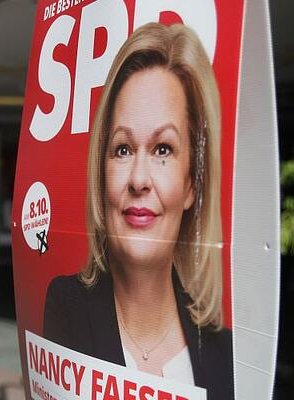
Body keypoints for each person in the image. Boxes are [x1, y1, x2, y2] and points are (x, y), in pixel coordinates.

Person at [43, 23, 234, 399]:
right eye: (123, 149)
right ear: (102, 173)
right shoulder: (67, 307)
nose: (139, 180)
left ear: (192, 184)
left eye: (163, 149)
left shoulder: (224, 352)